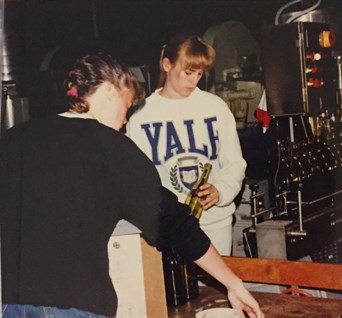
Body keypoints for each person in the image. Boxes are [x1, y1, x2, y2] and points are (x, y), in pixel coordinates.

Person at [0, 52, 264, 318]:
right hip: (74, 305)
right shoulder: (109, 146)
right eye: (126, 107)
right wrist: (233, 283)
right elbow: (174, 223)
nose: (125, 121)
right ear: (108, 91)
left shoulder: (15, 138)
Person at [126, 34, 247, 256]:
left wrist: (220, 191)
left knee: (214, 290)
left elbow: (235, 164)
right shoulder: (141, 116)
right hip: (170, 228)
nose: (194, 81)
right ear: (166, 64)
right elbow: (138, 179)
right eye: (188, 72)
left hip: (214, 224)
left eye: (200, 74)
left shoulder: (215, 108)